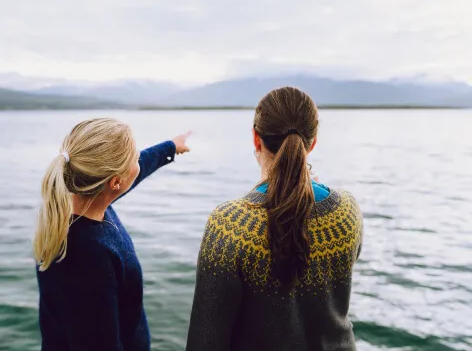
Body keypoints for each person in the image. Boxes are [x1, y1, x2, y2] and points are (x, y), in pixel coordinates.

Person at [187, 87, 363, 351]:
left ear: (256, 139)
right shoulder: (347, 210)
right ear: (312, 143)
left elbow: (206, 340)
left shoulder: (230, 225)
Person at [34, 118, 190, 351]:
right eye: (134, 157)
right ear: (115, 182)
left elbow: (139, 168)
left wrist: (170, 147)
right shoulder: (89, 257)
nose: (140, 159)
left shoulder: (79, 199)